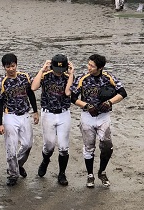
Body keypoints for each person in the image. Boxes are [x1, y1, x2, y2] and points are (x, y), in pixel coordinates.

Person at [71, 54, 126, 188]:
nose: (88, 67)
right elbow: (72, 97)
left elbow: (123, 93)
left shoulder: (109, 77)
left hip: (103, 116)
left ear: (100, 67)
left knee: (107, 146)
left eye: (92, 66)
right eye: (88, 64)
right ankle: (90, 175)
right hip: (87, 117)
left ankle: (102, 171)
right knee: (89, 146)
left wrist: (109, 102)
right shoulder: (82, 78)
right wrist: (86, 106)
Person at [0, 53, 38, 186]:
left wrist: (35, 111)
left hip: (24, 114)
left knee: (28, 144)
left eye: (13, 66)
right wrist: (0, 123)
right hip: (10, 116)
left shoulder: (25, 77)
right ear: (4, 67)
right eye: (8, 67)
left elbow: (31, 94)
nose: (11, 69)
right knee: (11, 147)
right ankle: (13, 174)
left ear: (16, 65)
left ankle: (18, 164)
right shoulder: (1, 83)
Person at [31, 55, 74, 186]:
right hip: (48, 114)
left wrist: (71, 74)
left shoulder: (69, 77)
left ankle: (62, 173)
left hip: (64, 114)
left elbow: (68, 93)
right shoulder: (46, 75)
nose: (59, 72)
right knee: (49, 145)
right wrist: (42, 70)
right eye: (57, 69)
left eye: (62, 69)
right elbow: (33, 87)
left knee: (63, 147)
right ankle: (45, 160)